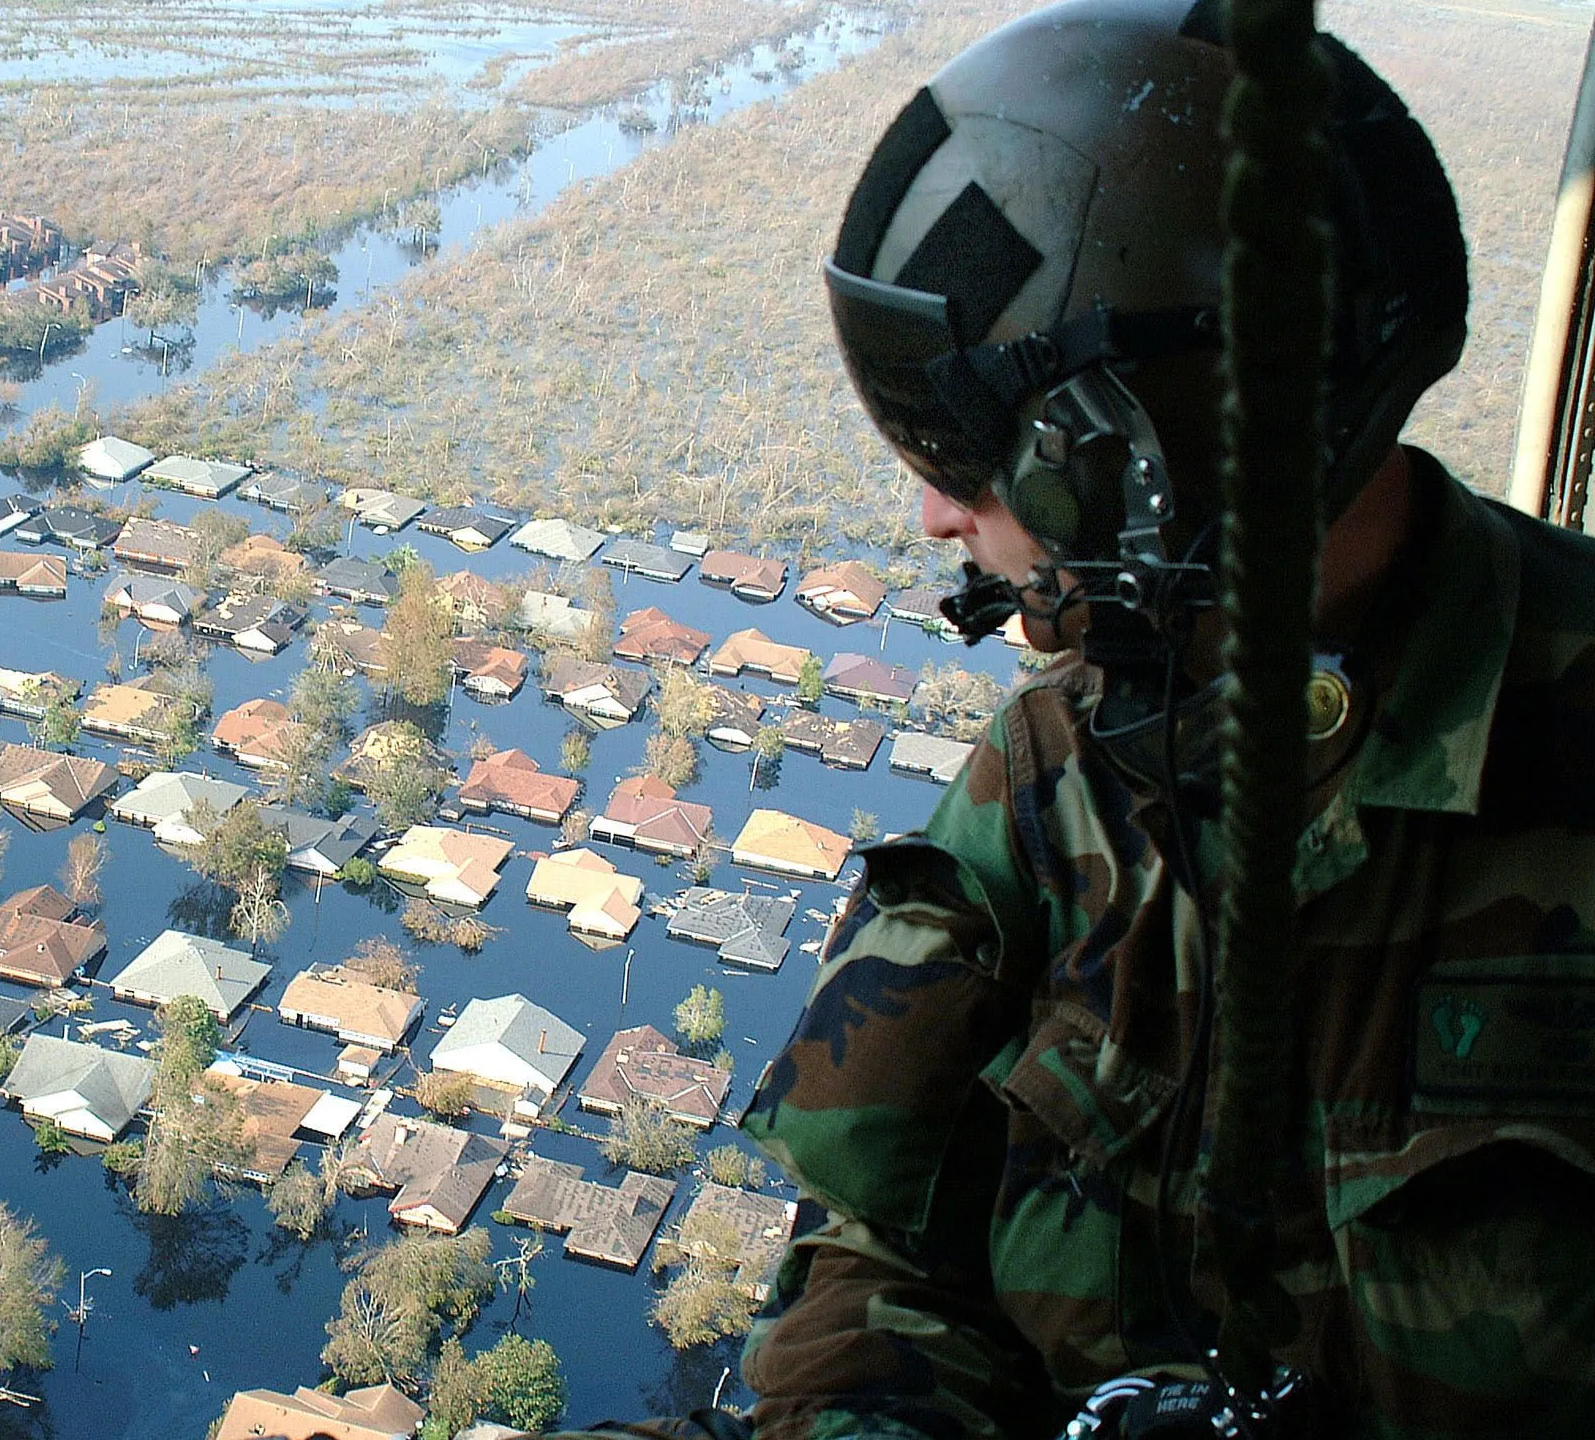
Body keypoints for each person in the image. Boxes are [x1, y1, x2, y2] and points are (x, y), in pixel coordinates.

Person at [539, 0, 1595, 1436]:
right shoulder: (1058, 763)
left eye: (973, 455)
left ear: (1144, 460)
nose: (932, 510)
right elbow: (880, 1245)